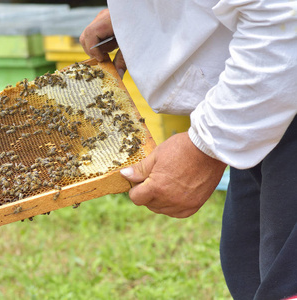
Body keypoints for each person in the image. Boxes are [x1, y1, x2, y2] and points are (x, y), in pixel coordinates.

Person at [80, 1, 297, 299]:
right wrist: (149, 17)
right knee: (247, 269)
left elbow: (284, 16)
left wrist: (206, 146)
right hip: (267, 98)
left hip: (281, 78)